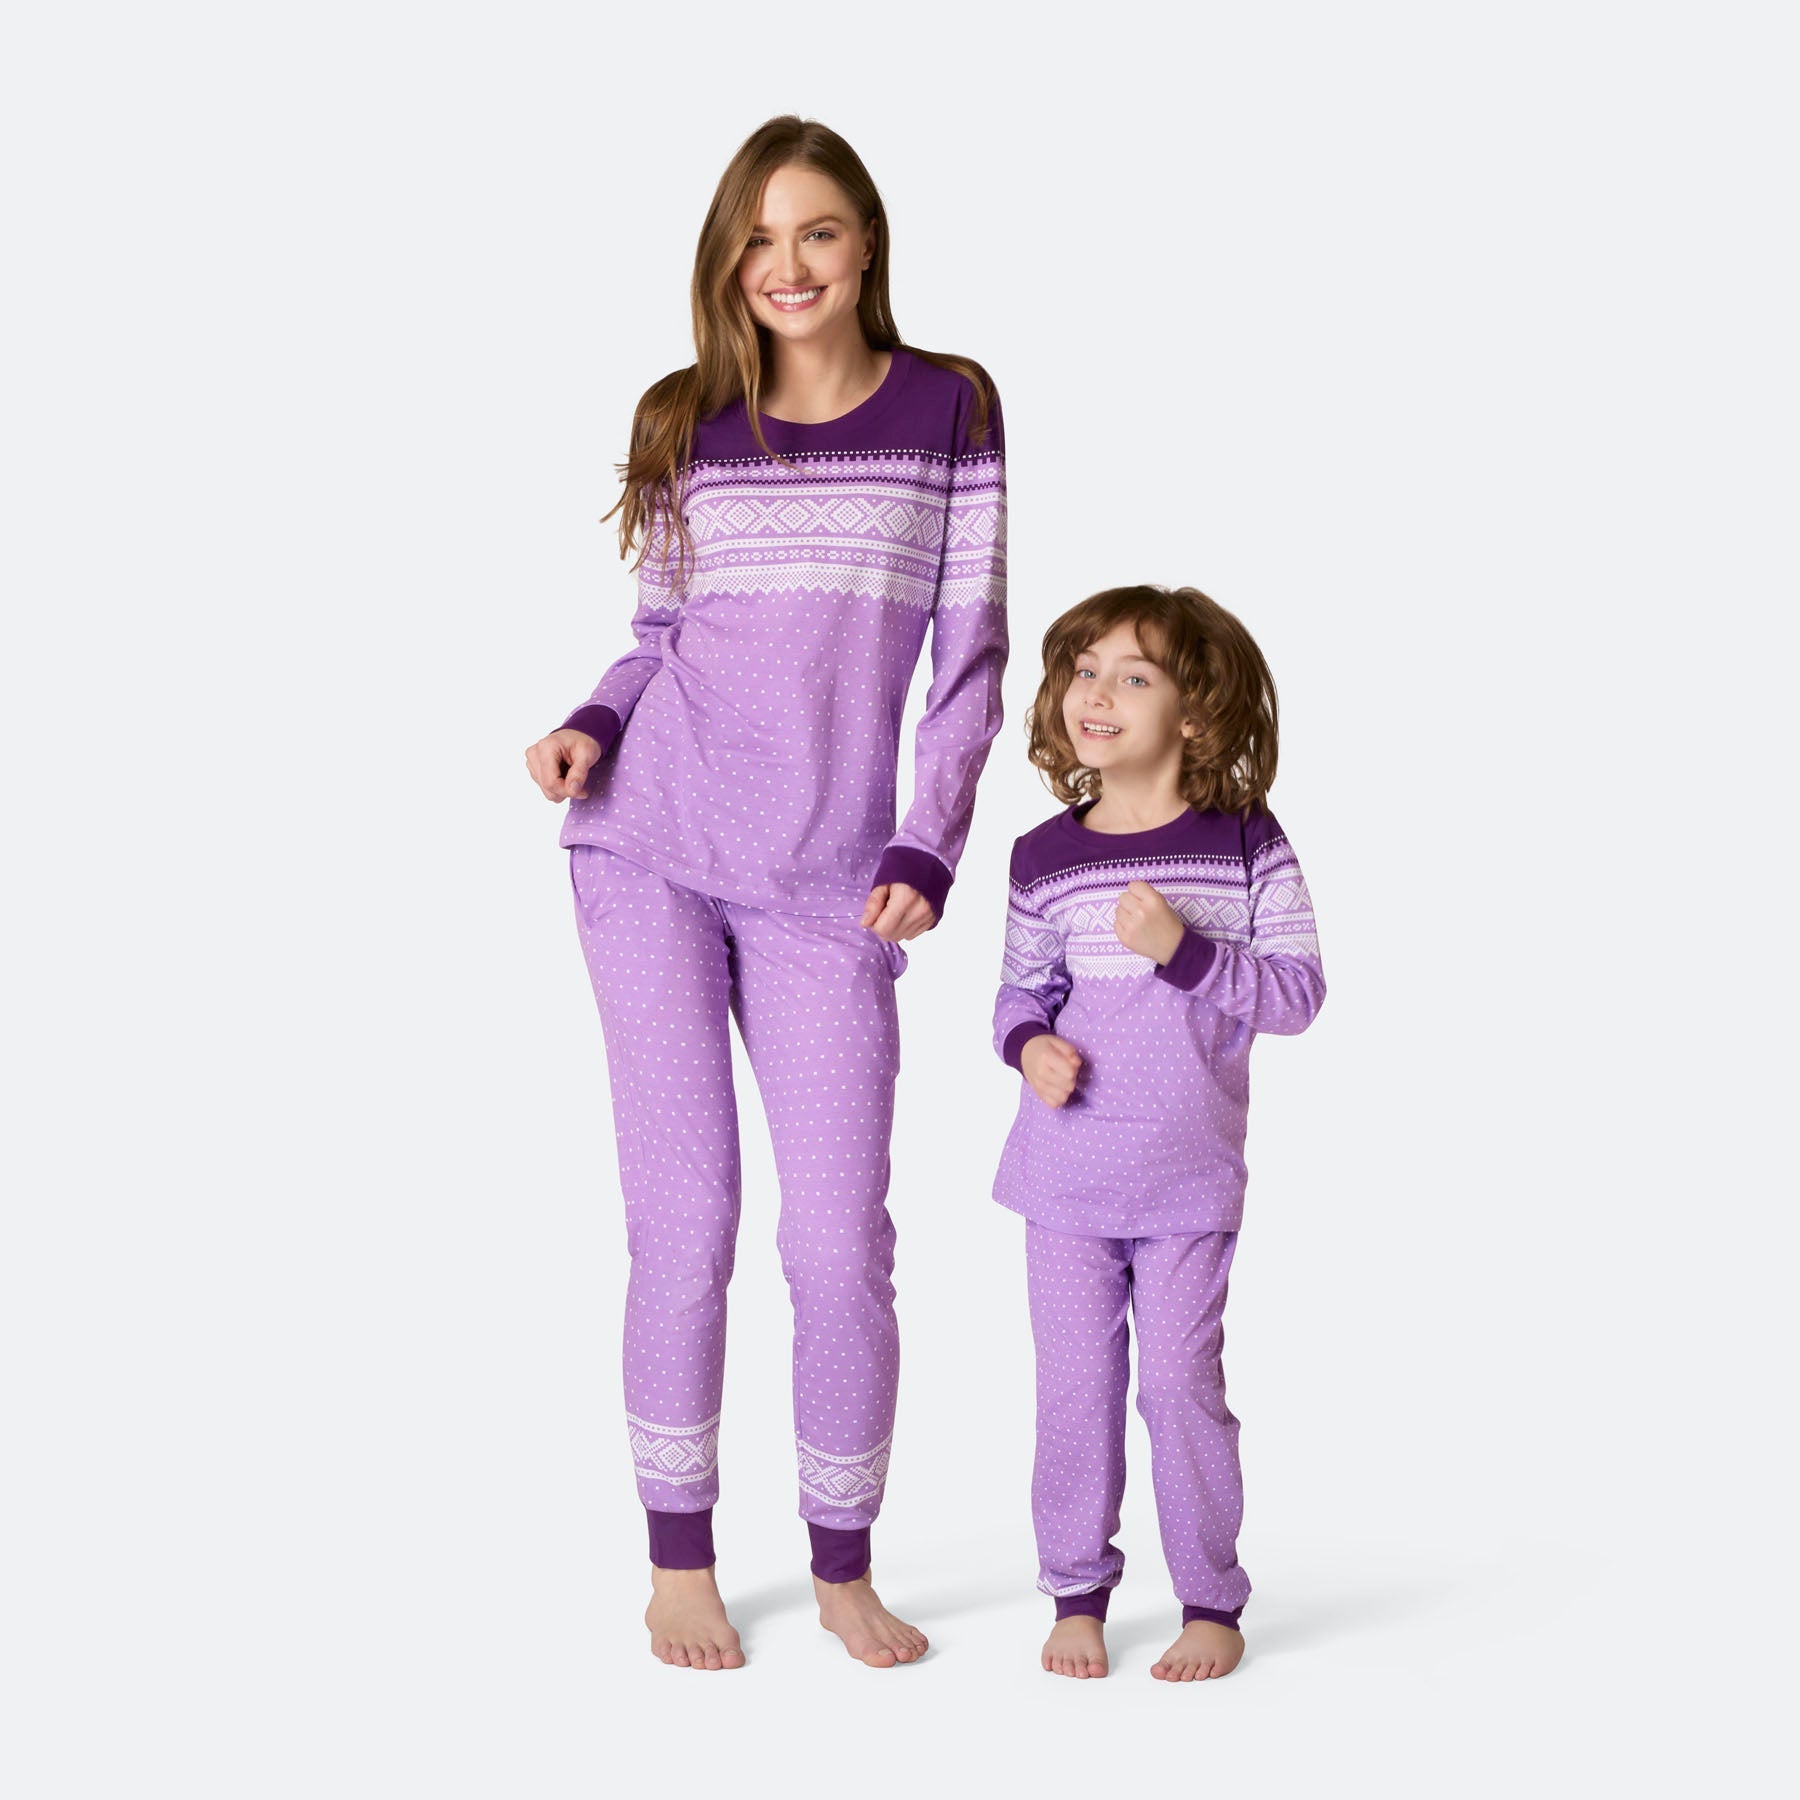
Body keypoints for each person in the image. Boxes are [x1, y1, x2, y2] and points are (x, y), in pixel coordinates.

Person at [524, 116, 1007, 1671]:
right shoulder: (687, 418)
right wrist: (592, 724)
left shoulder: (951, 408)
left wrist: (929, 840)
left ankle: (843, 1564)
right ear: (727, 262)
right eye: (756, 239)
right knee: (686, 1221)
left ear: (866, 242)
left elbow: (970, 657)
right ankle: (679, 1564)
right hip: (650, 843)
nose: (785, 266)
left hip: (830, 883)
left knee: (838, 1243)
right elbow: (658, 633)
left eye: (815, 232)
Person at [990, 584, 1324, 1681]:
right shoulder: (1042, 856)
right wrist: (1028, 1045)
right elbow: (1019, 992)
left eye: (1135, 676)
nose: (1098, 693)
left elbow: (1298, 994)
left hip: (1187, 1184)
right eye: (1084, 670)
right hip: (1063, 1182)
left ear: (1196, 710)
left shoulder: (1245, 840)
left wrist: (1185, 952)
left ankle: (1211, 1601)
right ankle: (1076, 1592)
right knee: (1073, 1396)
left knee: (1180, 1390)